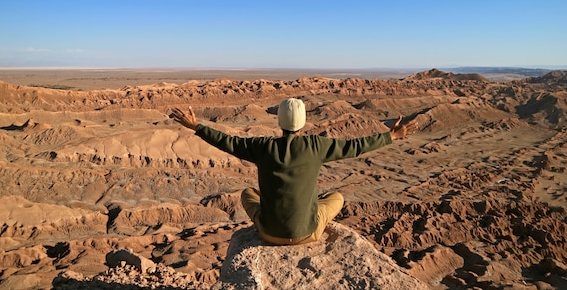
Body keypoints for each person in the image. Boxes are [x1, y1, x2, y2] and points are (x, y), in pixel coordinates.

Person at [170, 98, 417, 245]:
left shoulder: (262, 147)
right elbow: (356, 146)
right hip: (308, 233)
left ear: (279, 121)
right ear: (304, 122)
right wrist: (391, 135)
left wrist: (197, 126)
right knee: (337, 198)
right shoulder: (317, 146)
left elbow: (229, 142)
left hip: (269, 233)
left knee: (248, 193)